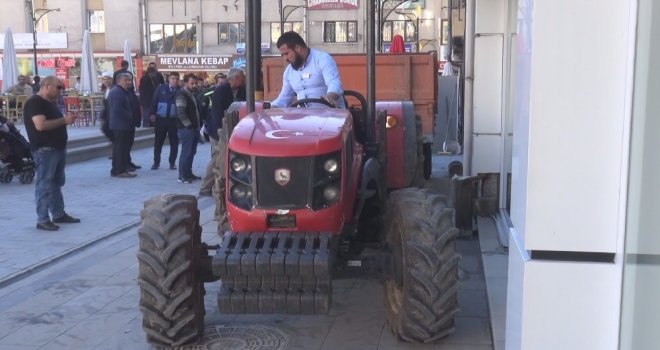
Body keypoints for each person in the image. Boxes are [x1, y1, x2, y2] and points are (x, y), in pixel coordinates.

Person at [22, 76, 80, 231]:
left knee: (56, 183)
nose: (61, 90)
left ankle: (58, 213)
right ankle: (42, 218)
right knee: (45, 184)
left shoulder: (50, 103)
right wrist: (64, 121)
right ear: (47, 86)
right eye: (58, 87)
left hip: (57, 148)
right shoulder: (35, 102)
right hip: (45, 149)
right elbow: (40, 125)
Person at [199, 68, 246, 196]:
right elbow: (217, 111)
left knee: (223, 159)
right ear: (235, 78)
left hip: (234, 130)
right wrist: (220, 129)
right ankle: (206, 188)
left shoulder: (242, 89)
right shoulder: (220, 90)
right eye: (242, 77)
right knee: (217, 159)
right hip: (218, 130)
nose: (245, 79)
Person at [271, 31, 345, 109]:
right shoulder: (289, 72)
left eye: (286, 54)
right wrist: (270, 107)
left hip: (331, 116)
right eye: (283, 55)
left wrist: (330, 97)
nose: (285, 59)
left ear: (298, 48)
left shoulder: (322, 59)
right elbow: (283, 99)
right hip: (304, 119)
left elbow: (334, 84)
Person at [107, 72, 138, 178]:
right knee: (120, 148)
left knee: (122, 148)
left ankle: (118, 169)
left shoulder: (123, 91)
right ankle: (119, 170)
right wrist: (130, 116)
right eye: (126, 80)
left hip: (123, 124)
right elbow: (118, 109)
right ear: (119, 81)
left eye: (130, 80)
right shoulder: (117, 92)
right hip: (120, 125)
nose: (129, 82)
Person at [174, 74, 202, 184]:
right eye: (192, 83)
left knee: (191, 152)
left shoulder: (192, 93)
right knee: (186, 152)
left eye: (195, 83)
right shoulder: (181, 95)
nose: (194, 85)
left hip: (193, 128)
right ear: (186, 83)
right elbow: (181, 113)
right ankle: (182, 175)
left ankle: (188, 173)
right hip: (187, 129)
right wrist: (189, 125)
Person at [149, 72, 180, 170]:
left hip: (173, 121)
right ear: (169, 79)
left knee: (174, 143)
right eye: (173, 78)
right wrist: (152, 113)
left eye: (176, 79)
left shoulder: (180, 91)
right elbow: (154, 101)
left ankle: (172, 163)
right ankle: (156, 162)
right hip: (161, 119)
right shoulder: (161, 88)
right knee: (158, 142)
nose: (174, 80)